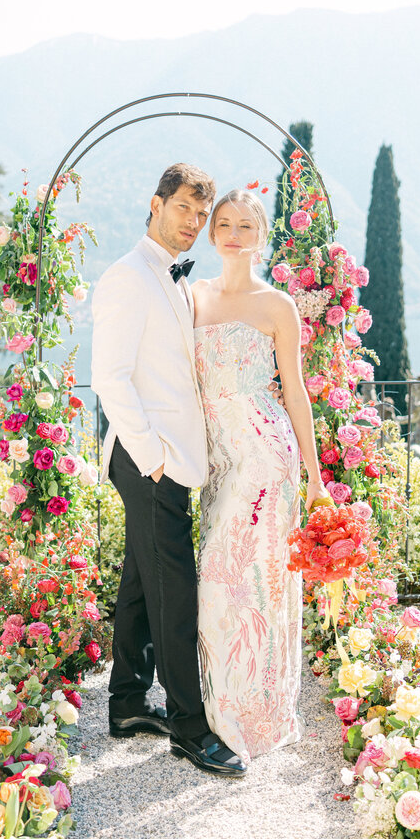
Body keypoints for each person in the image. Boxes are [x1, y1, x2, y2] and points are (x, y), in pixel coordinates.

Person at [90, 163, 247, 778]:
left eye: (201, 214)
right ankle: (189, 726)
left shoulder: (178, 278)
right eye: (184, 207)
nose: (193, 222)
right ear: (155, 204)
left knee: (140, 582)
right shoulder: (128, 278)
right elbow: (111, 377)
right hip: (147, 459)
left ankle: (128, 703)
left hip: (172, 457)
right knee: (174, 591)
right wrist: (153, 457)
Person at [192, 189, 324, 763]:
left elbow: (295, 392)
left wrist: (316, 477)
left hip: (268, 457)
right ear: (210, 231)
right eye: (223, 223)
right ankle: (218, 699)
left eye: (245, 225)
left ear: (260, 235)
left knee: (258, 581)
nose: (232, 233)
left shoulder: (278, 307)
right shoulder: (193, 298)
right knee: (219, 582)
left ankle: (257, 709)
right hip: (218, 460)